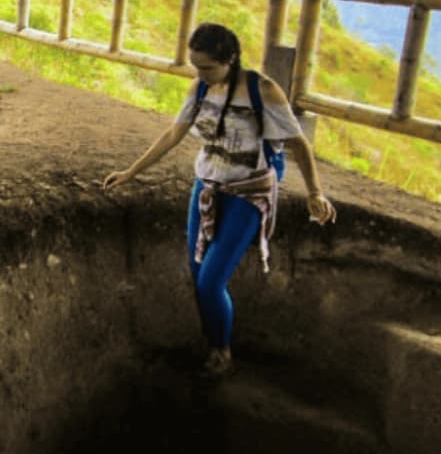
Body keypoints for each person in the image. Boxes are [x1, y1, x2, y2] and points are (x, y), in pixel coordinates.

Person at [103, 22, 336, 378]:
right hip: (207, 186)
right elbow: (173, 133)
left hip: (248, 192)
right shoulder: (200, 88)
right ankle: (212, 339)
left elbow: (298, 143)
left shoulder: (263, 91)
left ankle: (221, 351)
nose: (201, 74)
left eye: (208, 67)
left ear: (230, 59)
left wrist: (314, 192)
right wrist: (131, 172)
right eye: (196, 66)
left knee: (211, 282)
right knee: (197, 275)